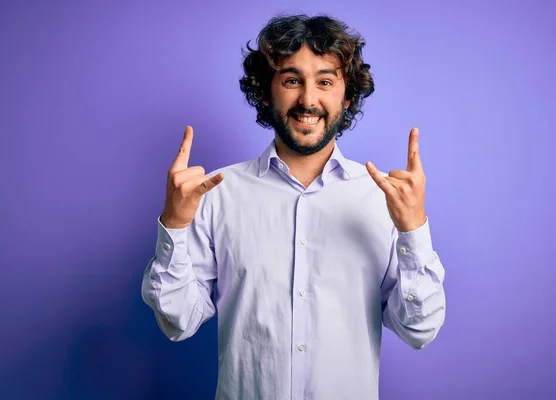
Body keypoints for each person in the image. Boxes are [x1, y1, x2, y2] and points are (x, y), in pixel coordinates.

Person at [141, 13, 446, 400]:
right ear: (266, 91)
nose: (308, 99)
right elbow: (177, 322)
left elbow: (420, 330)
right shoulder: (215, 194)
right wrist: (174, 223)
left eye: (325, 81)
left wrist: (413, 229)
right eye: (291, 80)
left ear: (346, 96)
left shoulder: (383, 201)